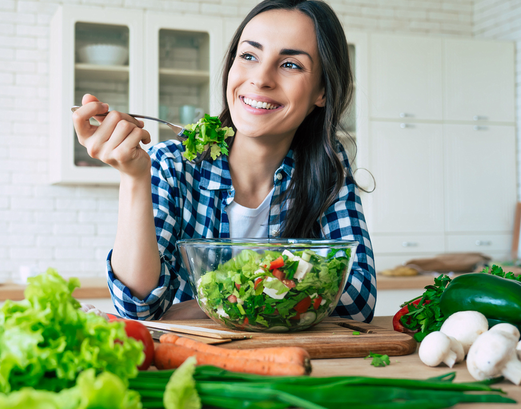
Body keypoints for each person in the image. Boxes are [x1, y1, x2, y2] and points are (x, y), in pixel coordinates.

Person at [72, 0, 376, 323]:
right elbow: (140, 309)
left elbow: (358, 300)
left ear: (322, 91)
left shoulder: (327, 170)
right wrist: (133, 177)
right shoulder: (172, 166)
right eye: (249, 56)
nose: (261, 79)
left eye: (290, 64)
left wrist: (207, 305)